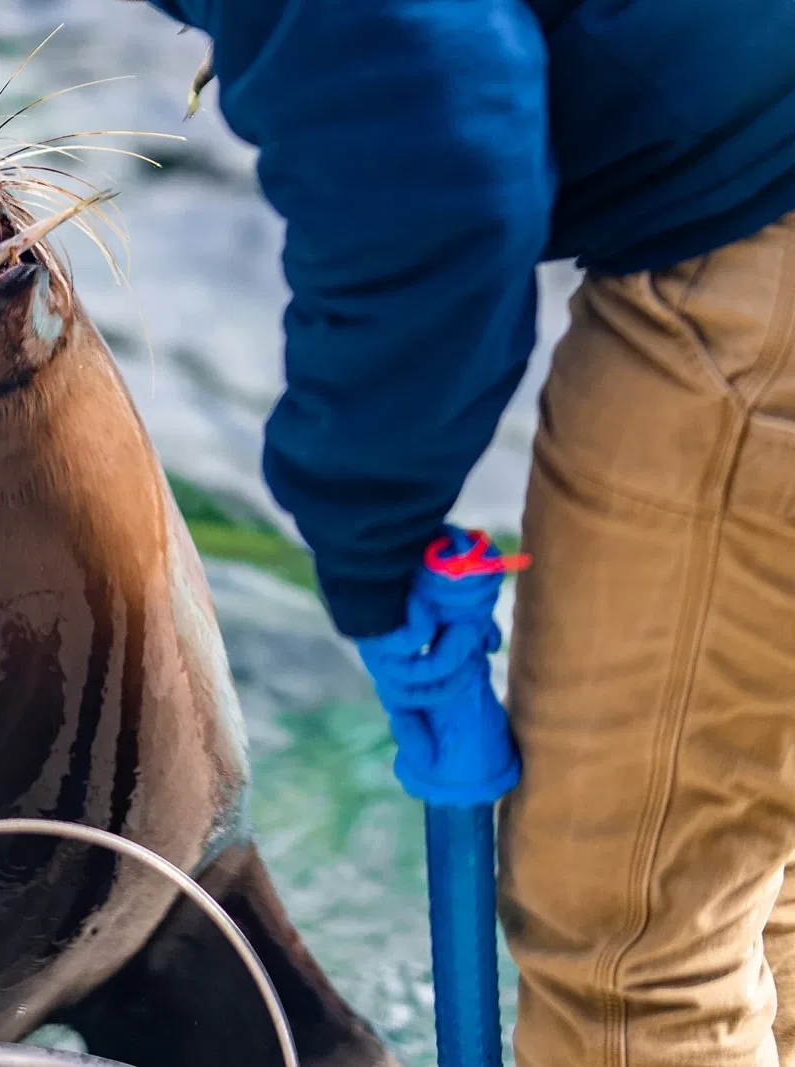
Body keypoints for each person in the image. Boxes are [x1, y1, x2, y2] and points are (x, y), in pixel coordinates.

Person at [131, 1, 795, 1064]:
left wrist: (367, 538)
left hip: (759, 265)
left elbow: (438, 150)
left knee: (631, 956)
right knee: (742, 873)